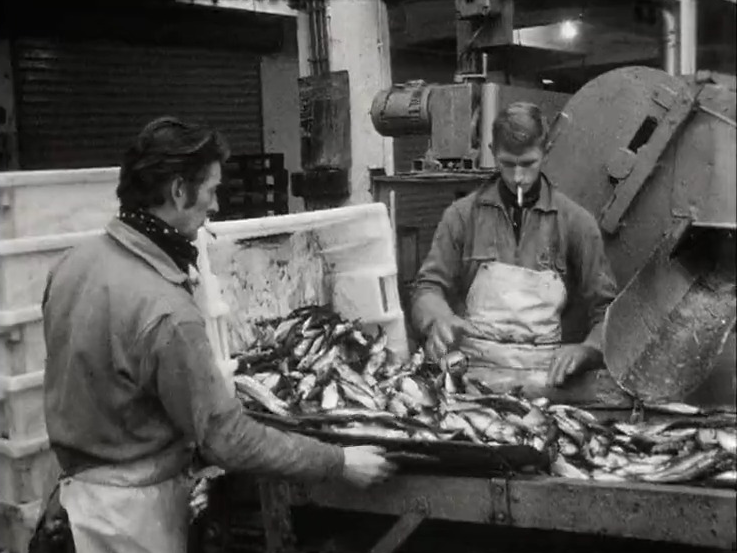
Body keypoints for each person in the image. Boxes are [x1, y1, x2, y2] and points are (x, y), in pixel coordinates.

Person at [40, 116, 394, 553]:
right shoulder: (165, 311)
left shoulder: (72, 264)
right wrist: (338, 462)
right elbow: (227, 440)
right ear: (177, 191)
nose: (216, 206)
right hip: (134, 523)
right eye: (210, 190)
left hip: (73, 508)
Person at [411, 102, 617, 393]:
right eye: (508, 163)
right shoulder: (461, 216)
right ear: (493, 151)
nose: (518, 176)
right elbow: (427, 287)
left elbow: (607, 310)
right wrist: (437, 319)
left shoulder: (577, 223)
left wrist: (588, 350)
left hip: (547, 383)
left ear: (545, 151)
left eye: (528, 163)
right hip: (470, 379)